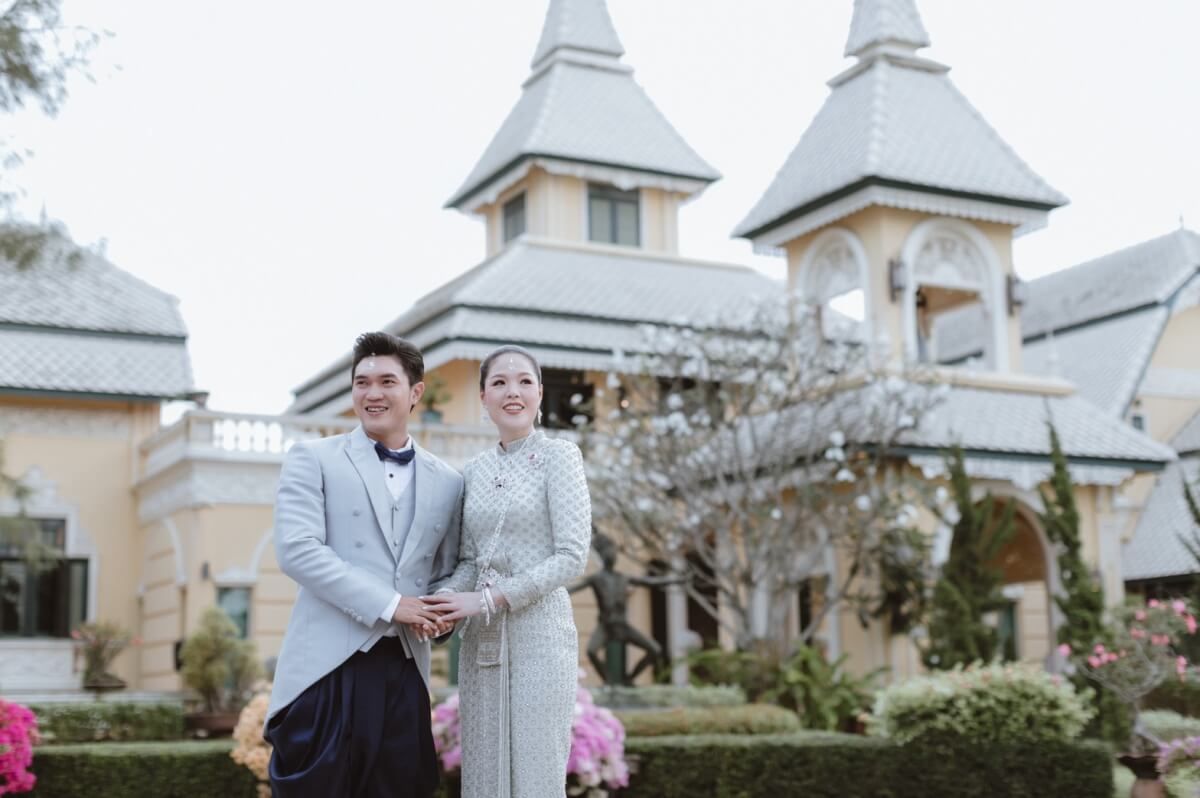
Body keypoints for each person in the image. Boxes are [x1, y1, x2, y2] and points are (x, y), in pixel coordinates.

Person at [265, 331, 464, 798]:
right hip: (326, 668)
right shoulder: (312, 458)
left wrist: (443, 610)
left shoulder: (449, 481)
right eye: (362, 382)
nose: (372, 393)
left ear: (415, 392)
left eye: (387, 381)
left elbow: (448, 570)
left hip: (405, 671)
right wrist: (393, 605)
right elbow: (298, 550)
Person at [423, 344, 591, 798]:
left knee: (535, 773)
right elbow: (470, 562)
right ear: (483, 397)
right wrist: (442, 603)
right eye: (499, 382)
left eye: (523, 381)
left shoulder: (560, 456)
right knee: (484, 772)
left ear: (539, 393)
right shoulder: (473, 471)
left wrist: (489, 599)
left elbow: (572, 556)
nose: (512, 391)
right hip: (482, 642)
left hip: (540, 635)